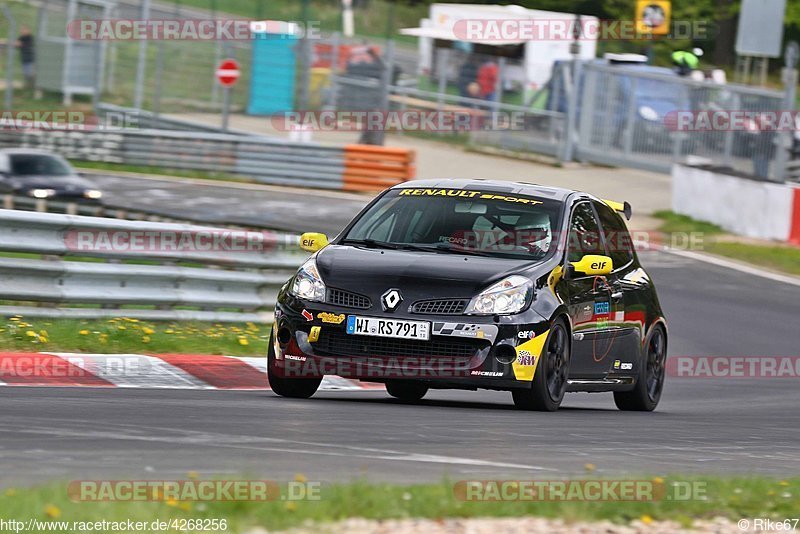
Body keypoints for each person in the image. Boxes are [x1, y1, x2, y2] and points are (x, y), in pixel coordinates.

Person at [16, 26, 35, 92]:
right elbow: (17, 44)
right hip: (24, 59)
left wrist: (20, 44)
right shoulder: (21, 37)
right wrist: (19, 44)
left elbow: (26, 45)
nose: (22, 31)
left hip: (30, 59)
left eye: (24, 30)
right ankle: (28, 85)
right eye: (21, 30)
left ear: (28, 30)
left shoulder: (30, 37)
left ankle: (32, 85)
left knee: (30, 73)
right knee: (26, 73)